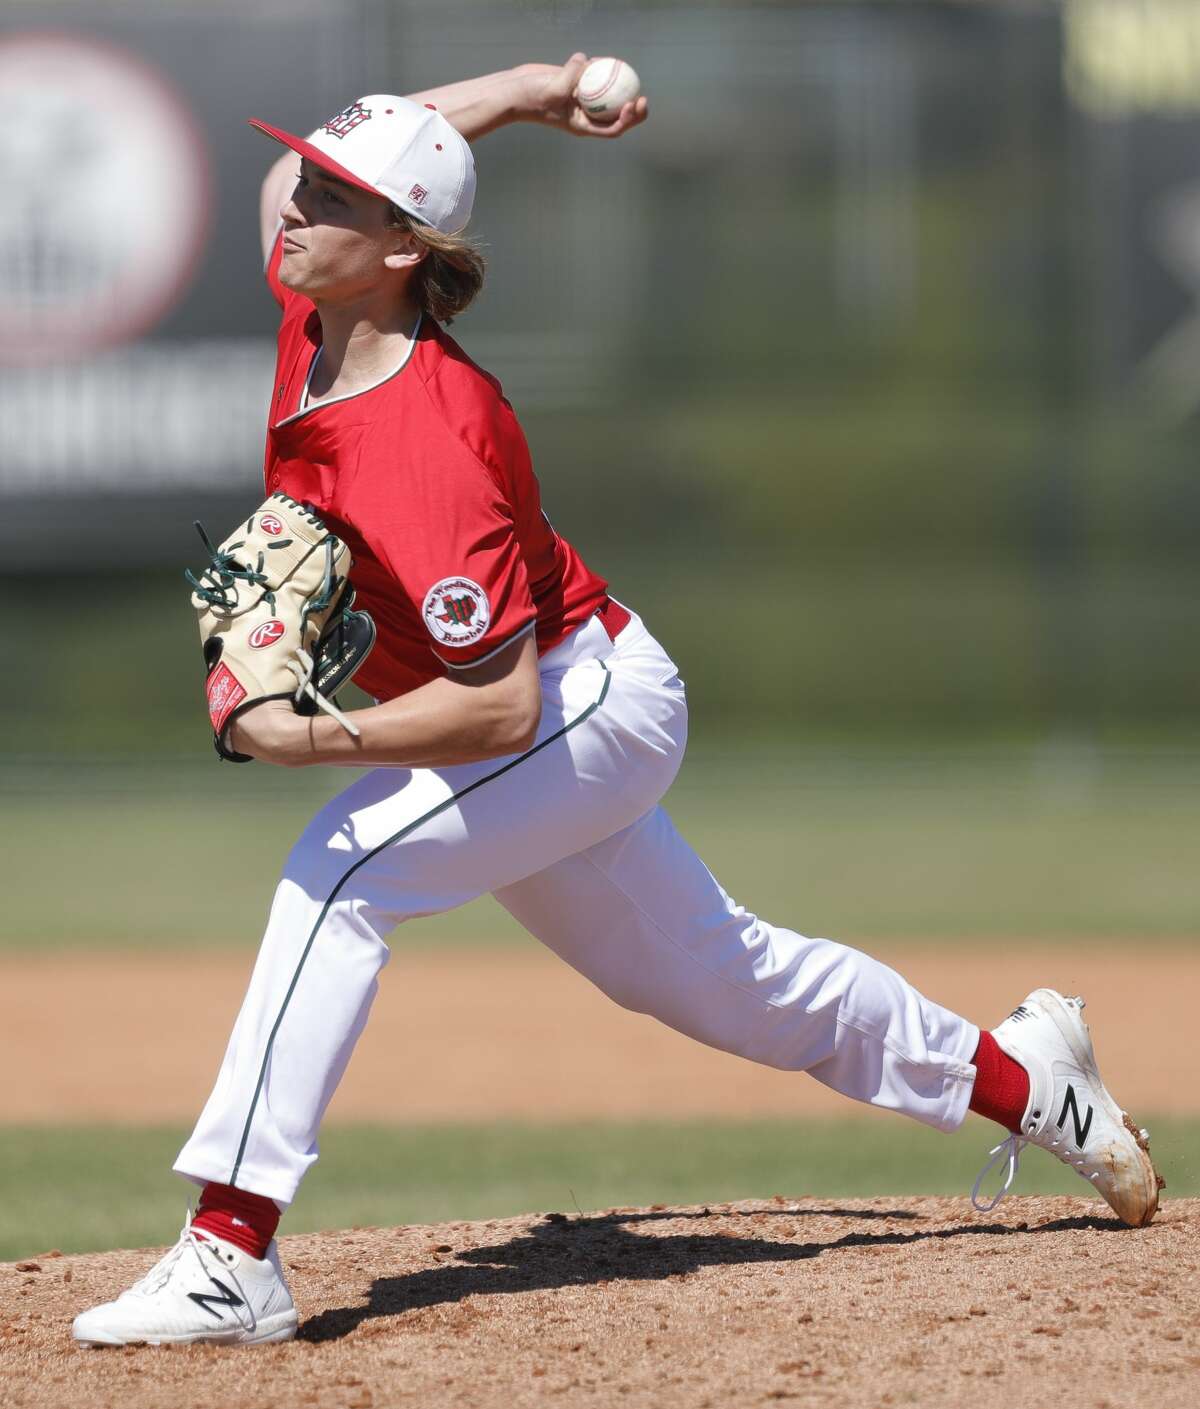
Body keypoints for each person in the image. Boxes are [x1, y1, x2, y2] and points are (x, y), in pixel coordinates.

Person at [72, 55, 1160, 1349]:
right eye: (310, 177)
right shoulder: (317, 307)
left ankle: (231, 1250)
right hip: (528, 715)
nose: (297, 204)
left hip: (588, 706)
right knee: (728, 982)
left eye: (336, 194)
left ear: (403, 251)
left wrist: (309, 735)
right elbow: (287, 175)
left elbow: (498, 709)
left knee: (340, 869)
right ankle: (1029, 1077)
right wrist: (526, 89)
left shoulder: (429, 438)